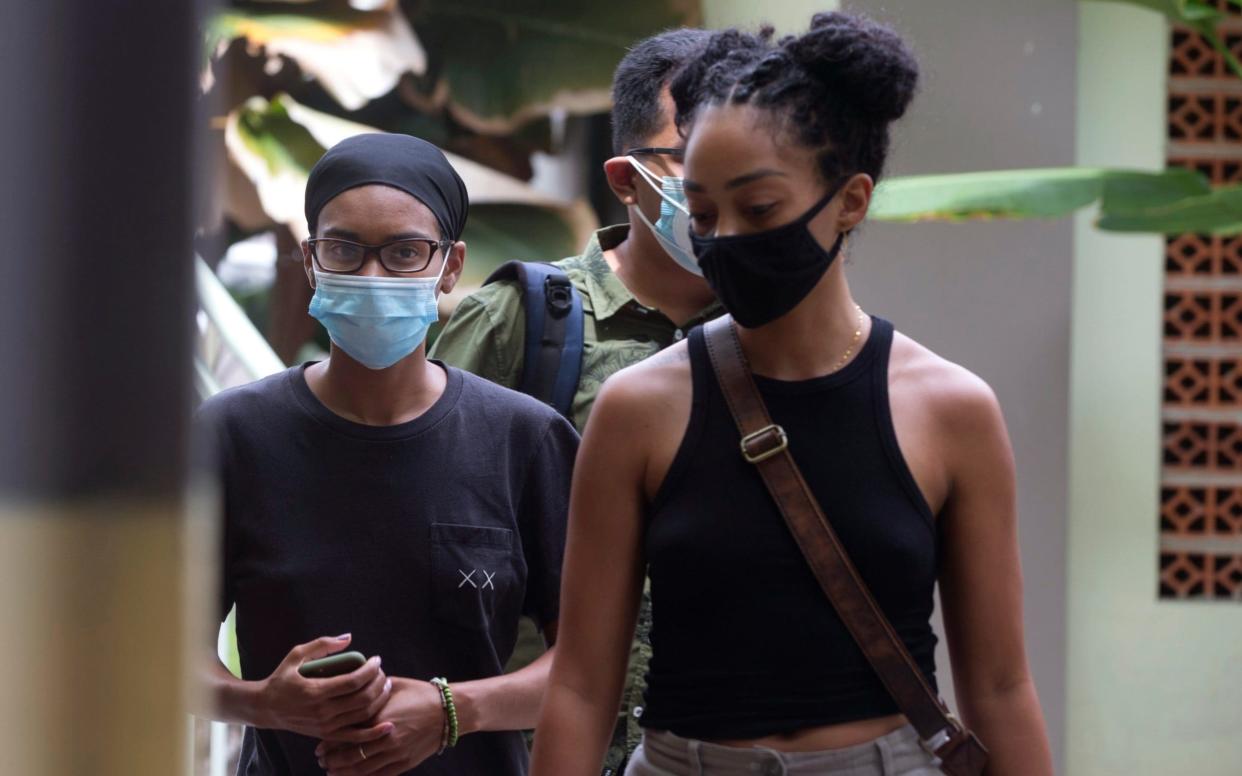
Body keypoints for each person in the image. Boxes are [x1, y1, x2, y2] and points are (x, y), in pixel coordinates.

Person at [531, 13, 1054, 776]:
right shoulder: (639, 408)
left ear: (851, 201)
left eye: (761, 209)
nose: (726, 238)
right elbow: (580, 686)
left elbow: (1001, 688)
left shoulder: (951, 410)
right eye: (703, 213)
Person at [195, 133, 579, 776]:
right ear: (311, 259)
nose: (373, 276)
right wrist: (263, 702)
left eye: (405, 253)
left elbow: (591, 662)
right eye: (344, 248)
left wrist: (455, 710)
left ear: (450, 266)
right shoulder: (235, 434)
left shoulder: (524, 440)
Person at [430, 28, 719, 772]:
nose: (724, 187)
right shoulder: (526, 320)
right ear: (628, 179)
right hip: (531, 748)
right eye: (695, 160)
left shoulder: (780, 338)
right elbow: (419, 526)